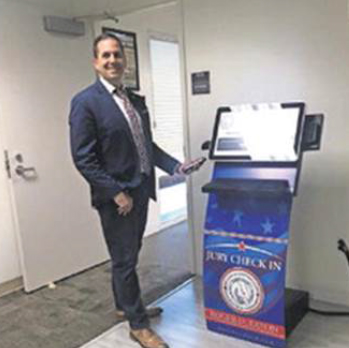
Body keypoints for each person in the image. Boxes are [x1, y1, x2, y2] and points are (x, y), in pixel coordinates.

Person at [69, 33, 203, 348]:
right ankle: (138, 324)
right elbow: (83, 159)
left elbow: (146, 146)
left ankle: (124, 306)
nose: (113, 60)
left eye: (117, 54)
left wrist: (176, 167)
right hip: (118, 200)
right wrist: (116, 193)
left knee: (128, 256)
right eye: (106, 56)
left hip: (141, 191)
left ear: (124, 60)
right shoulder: (86, 102)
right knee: (125, 260)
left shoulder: (135, 100)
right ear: (95, 62)